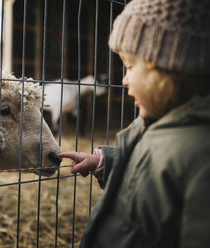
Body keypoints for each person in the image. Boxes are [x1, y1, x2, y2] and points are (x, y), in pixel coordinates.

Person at [58, 0, 210, 247]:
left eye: (129, 67)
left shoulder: (201, 159)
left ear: (168, 70)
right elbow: (144, 164)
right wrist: (102, 161)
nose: (124, 80)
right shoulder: (149, 124)